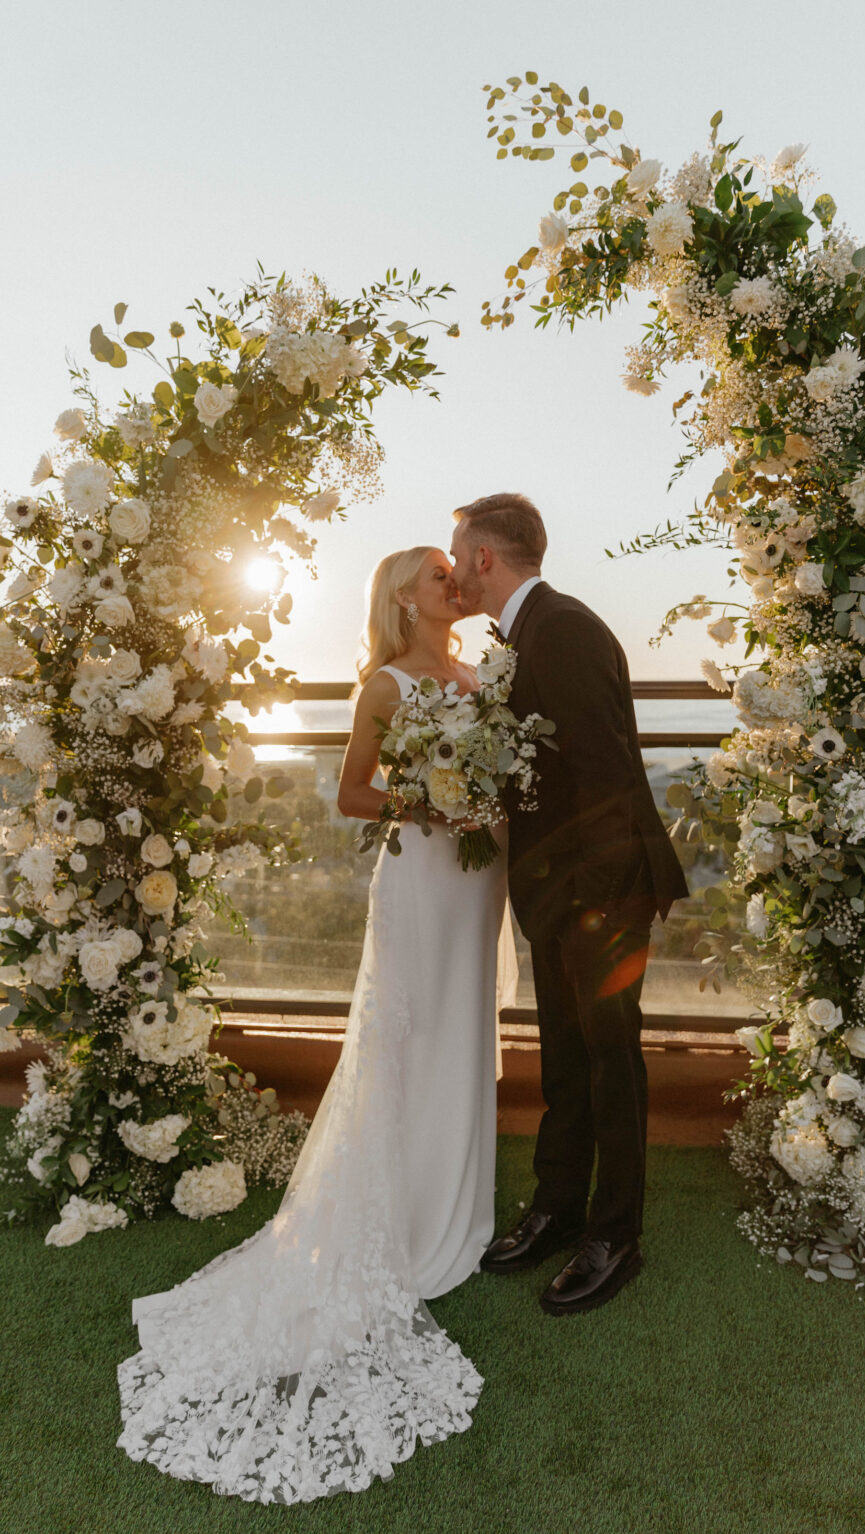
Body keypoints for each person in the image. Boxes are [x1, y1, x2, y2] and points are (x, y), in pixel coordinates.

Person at [115, 545, 516, 1504]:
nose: (454, 584)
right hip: (422, 879)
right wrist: (439, 800)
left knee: (460, 1038)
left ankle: (462, 1205)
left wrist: (489, 804)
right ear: (402, 599)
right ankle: (406, 1216)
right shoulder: (383, 684)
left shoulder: (475, 670)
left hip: (479, 885)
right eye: (437, 576)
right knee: (408, 1041)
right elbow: (352, 795)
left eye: (455, 573)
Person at [449, 493, 689, 1317]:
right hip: (559, 890)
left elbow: (608, 769)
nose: (453, 568)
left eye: (459, 552)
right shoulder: (523, 635)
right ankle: (558, 1205)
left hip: (603, 890)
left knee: (611, 1061)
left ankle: (614, 1235)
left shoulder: (566, 627)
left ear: (486, 556)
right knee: (563, 1052)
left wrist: (590, 902)